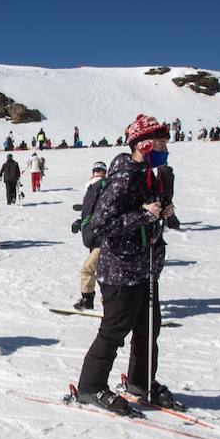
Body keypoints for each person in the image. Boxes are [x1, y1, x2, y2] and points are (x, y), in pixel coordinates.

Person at [73, 115, 178, 414]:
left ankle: (141, 382)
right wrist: (145, 215)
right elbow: (102, 225)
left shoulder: (148, 175)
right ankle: (90, 387)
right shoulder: (124, 177)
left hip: (145, 268)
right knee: (113, 331)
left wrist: (163, 213)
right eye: (160, 144)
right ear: (144, 145)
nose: (164, 150)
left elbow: (146, 214)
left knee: (148, 329)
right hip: (120, 270)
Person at [74, 161, 108, 311]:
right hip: (93, 236)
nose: (98, 173)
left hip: (102, 238)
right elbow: (89, 210)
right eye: (96, 170)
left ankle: (92, 301)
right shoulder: (91, 188)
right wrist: (80, 221)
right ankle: (96, 301)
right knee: (100, 271)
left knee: (89, 269)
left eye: (101, 170)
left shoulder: (104, 187)